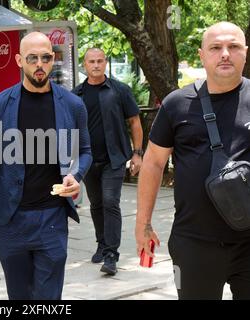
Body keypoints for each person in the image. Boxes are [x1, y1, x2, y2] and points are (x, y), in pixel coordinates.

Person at [0, 32, 92, 300]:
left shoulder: (72, 104)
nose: (40, 64)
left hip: (52, 219)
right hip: (11, 221)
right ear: (19, 60)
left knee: (48, 298)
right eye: (32, 58)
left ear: (53, 59)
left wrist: (76, 175)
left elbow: (85, 151)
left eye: (46, 57)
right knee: (19, 296)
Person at [136, 21, 250, 299]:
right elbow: (152, 163)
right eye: (216, 47)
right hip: (194, 244)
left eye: (233, 46)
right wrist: (143, 224)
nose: (225, 53)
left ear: (245, 52)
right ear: (202, 55)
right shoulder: (177, 103)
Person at [72, 48, 143, 275]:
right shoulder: (76, 95)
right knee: (96, 204)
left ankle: (111, 254)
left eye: (100, 61)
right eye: (91, 61)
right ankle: (102, 244)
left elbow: (134, 121)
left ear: (105, 63)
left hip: (115, 159)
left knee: (110, 201)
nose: (96, 65)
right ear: (84, 64)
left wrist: (137, 153)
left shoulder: (119, 90)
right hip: (88, 161)